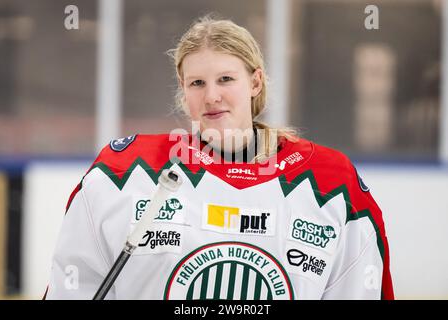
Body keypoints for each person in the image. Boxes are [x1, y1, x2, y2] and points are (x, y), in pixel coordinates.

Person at [45, 15, 394, 300]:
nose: (212, 96)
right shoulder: (125, 172)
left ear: (255, 82)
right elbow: (74, 284)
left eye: (225, 79)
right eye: (197, 83)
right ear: (184, 90)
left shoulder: (330, 182)